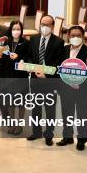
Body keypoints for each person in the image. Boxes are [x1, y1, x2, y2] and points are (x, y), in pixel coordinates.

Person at [25, 14, 65, 145]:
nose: (45, 27)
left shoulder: (59, 42)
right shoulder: (34, 39)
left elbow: (59, 62)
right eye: (43, 24)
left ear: (52, 26)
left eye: (48, 24)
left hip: (50, 80)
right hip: (35, 78)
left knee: (50, 108)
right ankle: (36, 132)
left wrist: (46, 73)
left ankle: (49, 134)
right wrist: (32, 68)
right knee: (36, 107)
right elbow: (29, 57)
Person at [57, 25, 87, 150]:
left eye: (78, 35)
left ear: (82, 37)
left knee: (82, 114)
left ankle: (82, 139)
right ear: (68, 36)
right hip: (65, 88)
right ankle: (67, 136)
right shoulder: (64, 49)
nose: (75, 38)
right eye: (73, 35)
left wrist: (79, 82)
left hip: (81, 89)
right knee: (67, 113)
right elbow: (58, 68)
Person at [0, 20, 29, 135]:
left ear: (21, 31)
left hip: (21, 76)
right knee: (10, 101)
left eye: (18, 29)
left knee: (20, 102)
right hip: (8, 75)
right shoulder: (6, 43)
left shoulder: (26, 43)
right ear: (10, 30)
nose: (16, 31)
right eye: (14, 29)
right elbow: (1, 57)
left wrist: (19, 57)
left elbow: (28, 57)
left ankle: (19, 124)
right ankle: (11, 123)